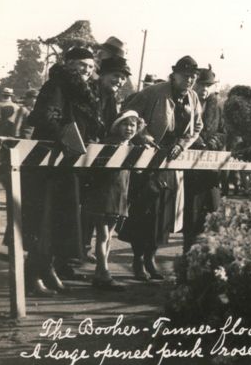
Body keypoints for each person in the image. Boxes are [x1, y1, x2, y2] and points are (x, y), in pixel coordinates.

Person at [22, 47, 105, 295]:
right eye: (81, 65)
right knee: (43, 222)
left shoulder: (84, 93)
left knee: (60, 222)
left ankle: (48, 270)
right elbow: (45, 118)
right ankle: (32, 275)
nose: (86, 71)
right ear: (67, 63)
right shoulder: (56, 86)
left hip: (69, 166)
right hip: (48, 166)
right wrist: (68, 138)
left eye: (90, 68)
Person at [119, 56, 203, 280]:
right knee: (144, 210)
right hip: (148, 158)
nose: (189, 80)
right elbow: (129, 112)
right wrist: (142, 134)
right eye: (185, 76)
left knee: (163, 213)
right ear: (174, 75)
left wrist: (182, 144)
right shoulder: (154, 92)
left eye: (193, 77)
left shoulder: (193, 98)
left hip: (172, 160)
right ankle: (138, 260)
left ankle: (150, 258)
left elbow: (196, 127)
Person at [82, 110, 143, 290]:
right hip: (104, 192)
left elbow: (136, 170)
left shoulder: (132, 147)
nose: (129, 128)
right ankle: (104, 272)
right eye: (125, 124)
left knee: (109, 235)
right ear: (117, 126)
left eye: (132, 125)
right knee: (103, 234)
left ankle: (100, 273)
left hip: (120, 194)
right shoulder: (108, 144)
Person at [80, 55, 132, 261]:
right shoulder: (88, 91)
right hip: (81, 153)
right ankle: (75, 252)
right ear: (102, 75)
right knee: (81, 207)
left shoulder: (111, 98)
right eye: (115, 76)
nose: (119, 81)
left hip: (98, 158)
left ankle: (82, 249)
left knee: (92, 208)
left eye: (122, 78)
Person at [183, 65, 226, 253]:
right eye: (201, 85)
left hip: (211, 168)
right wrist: (198, 141)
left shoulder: (216, 106)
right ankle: (188, 253)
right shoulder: (186, 103)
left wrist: (213, 143)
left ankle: (208, 254)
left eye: (208, 86)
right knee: (191, 214)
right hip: (190, 166)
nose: (204, 90)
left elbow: (224, 133)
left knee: (213, 212)